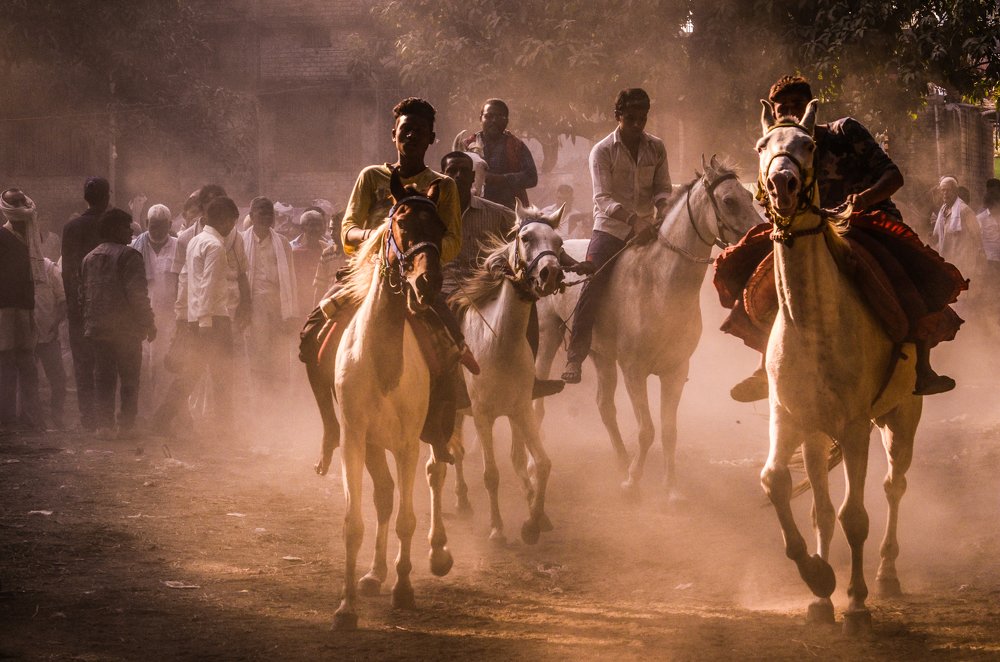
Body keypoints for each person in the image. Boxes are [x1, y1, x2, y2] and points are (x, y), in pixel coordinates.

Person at [719, 75, 965, 400]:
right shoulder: (776, 147)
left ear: (810, 109)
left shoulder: (844, 131)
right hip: (808, 227)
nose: (789, 114)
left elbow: (894, 176)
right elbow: (768, 196)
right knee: (758, 272)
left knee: (898, 274)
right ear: (774, 116)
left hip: (865, 221)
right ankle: (767, 365)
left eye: (796, 106)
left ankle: (921, 366)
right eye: (782, 110)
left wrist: (860, 200)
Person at [561, 88, 673, 384]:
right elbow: (603, 199)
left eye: (643, 118)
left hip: (649, 228)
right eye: (631, 118)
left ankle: (672, 352)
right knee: (594, 281)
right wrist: (634, 220)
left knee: (673, 274)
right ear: (618, 116)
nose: (638, 124)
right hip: (611, 229)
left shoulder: (657, 147)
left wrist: (663, 208)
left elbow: (663, 188)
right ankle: (575, 355)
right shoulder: (601, 150)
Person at [80, 208, 156, 438]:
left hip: (98, 329)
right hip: (126, 330)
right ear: (114, 229)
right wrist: (148, 322)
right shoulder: (130, 256)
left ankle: (104, 425)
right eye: (126, 227)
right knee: (130, 378)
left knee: (103, 378)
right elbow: (137, 295)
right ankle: (127, 426)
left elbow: (82, 295)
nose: (130, 231)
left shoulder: (88, 258)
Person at [186, 196, 242, 433]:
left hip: (197, 316)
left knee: (192, 373)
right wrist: (206, 322)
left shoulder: (196, 241)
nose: (232, 227)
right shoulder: (216, 246)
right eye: (232, 221)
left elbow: (193, 283)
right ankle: (224, 426)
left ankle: (165, 418)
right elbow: (207, 284)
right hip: (214, 319)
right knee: (222, 376)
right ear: (225, 220)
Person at [62, 177, 110, 430]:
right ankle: (105, 416)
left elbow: (68, 271)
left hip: (79, 306)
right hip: (109, 309)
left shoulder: (71, 228)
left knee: (83, 363)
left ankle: (87, 419)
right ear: (107, 196)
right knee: (106, 362)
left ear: (85, 197)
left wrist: (73, 304)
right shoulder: (112, 225)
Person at [240, 196, 298, 397]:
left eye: (269, 213)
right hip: (253, 305)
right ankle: (258, 399)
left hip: (278, 304)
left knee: (279, 353)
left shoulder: (282, 243)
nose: (265, 216)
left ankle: (278, 401)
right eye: (261, 212)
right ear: (251, 216)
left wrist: (291, 312)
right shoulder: (240, 241)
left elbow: (290, 279)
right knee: (257, 353)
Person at [0, 189, 45, 432]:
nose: (20, 206)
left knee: (27, 363)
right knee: (6, 363)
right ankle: (7, 418)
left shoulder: (31, 235)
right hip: (5, 308)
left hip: (25, 306)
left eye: (21, 201)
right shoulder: (2, 236)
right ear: (6, 207)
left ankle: (31, 417)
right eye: (14, 202)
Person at [457, 98, 538, 209]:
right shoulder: (465, 146)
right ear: (481, 118)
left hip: (509, 211)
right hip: (472, 209)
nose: (494, 121)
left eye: (499, 116)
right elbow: (454, 177)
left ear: (506, 121)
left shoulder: (517, 146)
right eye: (489, 116)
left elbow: (532, 177)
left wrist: (501, 179)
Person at [131, 204, 178, 392]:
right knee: (142, 366)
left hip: (169, 319)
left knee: (165, 367)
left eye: (162, 225)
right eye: (153, 225)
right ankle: (144, 415)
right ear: (147, 223)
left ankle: (163, 415)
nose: (157, 230)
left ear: (170, 224)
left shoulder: (178, 246)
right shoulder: (134, 249)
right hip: (142, 318)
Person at [34, 257, 67, 429]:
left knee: (58, 379)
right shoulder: (11, 265)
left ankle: (57, 416)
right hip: (24, 337)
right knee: (29, 379)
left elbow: (62, 300)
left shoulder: (49, 268)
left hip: (48, 335)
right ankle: (33, 418)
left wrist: (55, 325)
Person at [933, 176, 984, 284]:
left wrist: (979, 260)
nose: (945, 193)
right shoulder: (943, 210)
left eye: (948, 190)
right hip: (947, 259)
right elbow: (937, 236)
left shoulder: (964, 211)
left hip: (963, 261)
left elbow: (977, 236)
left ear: (956, 191)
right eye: (943, 190)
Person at [290, 208, 331, 315]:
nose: (316, 229)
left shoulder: (328, 251)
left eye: (319, 225)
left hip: (323, 301)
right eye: (312, 225)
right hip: (300, 303)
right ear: (302, 228)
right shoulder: (294, 253)